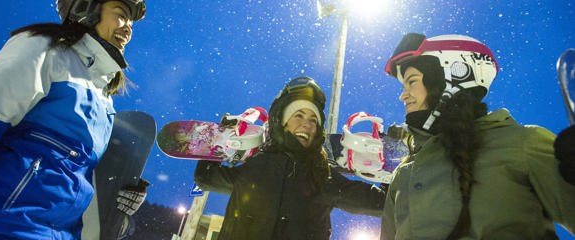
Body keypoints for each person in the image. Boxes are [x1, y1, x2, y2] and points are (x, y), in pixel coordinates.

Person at [0, 0, 147, 239]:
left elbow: (77, 182)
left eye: (132, 22)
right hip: (1, 229)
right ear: (87, 7)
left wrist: (118, 202)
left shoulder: (104, 101)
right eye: (121, 15)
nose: (128, 28)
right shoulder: (43, 49)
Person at [380, 33, 575, 239]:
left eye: (411, 81)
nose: (403, 95)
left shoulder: (520, 144)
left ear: (454, 75)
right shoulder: (403, 174)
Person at [195, 76, 387, 240]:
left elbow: (384, 204)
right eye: (299, 116)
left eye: (314, 120)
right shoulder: (255, 167)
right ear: (283, 121)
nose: (307, 125)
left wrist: (386, 170)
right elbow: (206, 177)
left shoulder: (321, 177)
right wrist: (218, 138)